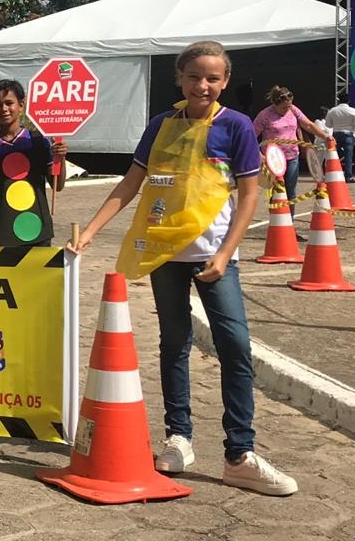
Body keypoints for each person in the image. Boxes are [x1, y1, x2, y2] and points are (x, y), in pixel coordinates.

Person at [69, 40, 296, 496]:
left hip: (215, 258)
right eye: (194, 76)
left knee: (235, 346)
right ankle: (179, 437)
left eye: (213, 78)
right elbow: (132, 183)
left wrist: (226, 252)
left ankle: (240, 453)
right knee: (174, 343)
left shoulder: (235, 127)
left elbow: (250, 195)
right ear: (180, 78)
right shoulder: (161, 126)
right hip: (164, 255)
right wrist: (91, 231)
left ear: (225, 82)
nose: (203, 85)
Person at [0, 79, 67, 247]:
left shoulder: (39, 143)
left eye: (9, 103)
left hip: (36, 232)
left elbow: (57, 185)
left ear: (21, 105)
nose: (4, 109)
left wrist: (61, 158)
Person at [252, 85, 327, 218]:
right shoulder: (265, 115)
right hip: (274, 158)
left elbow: (308, 124)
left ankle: (289, 223)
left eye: (289, 106)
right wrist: (259, 155)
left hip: (292, 155)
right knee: (278, 190)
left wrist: (325, 136)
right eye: (283, 108)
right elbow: (251, 135)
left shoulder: (293, 109)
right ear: (274, 104)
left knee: (291, 191)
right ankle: (276, 221)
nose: (287, 109)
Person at [324, 93, 355, 183]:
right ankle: (348, 177)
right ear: (348, 101)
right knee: (348, 156)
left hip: (336, 134)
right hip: (349, 134)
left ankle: (332, 175)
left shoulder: (332, 111)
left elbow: (328, 125)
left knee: (333, 156)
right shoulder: (352, 110)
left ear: (338, 100)